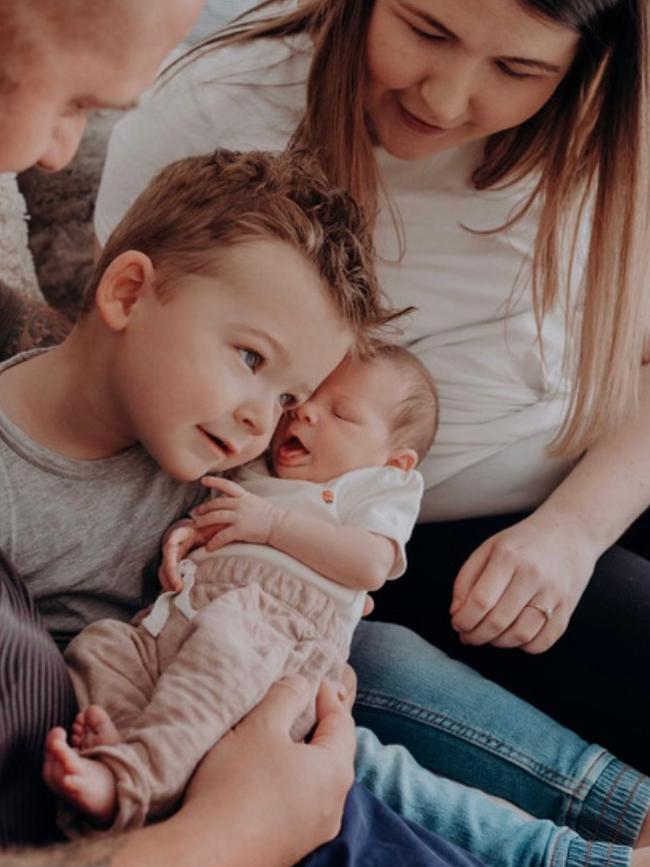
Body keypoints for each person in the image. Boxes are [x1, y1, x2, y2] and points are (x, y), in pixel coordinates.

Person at [93, 0, 650, 773]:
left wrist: (575, 529)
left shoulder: (607, 138)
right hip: (391, 542)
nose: (445, 100)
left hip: (602, 485)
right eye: (426, 31)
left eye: (518, 70)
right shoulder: (224, 111)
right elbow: (129, 355)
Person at [0, 144, 422, 867]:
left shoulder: (220, 447)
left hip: (263, 692)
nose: (269, 421)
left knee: (391, 691)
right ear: (129, 293)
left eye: (291, 396)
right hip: (131, 735)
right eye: (252, 359)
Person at [44, 346, 434, 833]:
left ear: (395, 461)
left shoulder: (377, 489)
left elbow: (371, 565)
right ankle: (121, 739)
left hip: (273, 637)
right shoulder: (258, 467)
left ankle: (131, 781)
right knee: (102, 644)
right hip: (178, 617)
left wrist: (271, 525)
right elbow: (214, 515)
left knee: (213, 667)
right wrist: (187, 534)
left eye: (341, 413)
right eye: (307, 398)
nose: (306, 411)